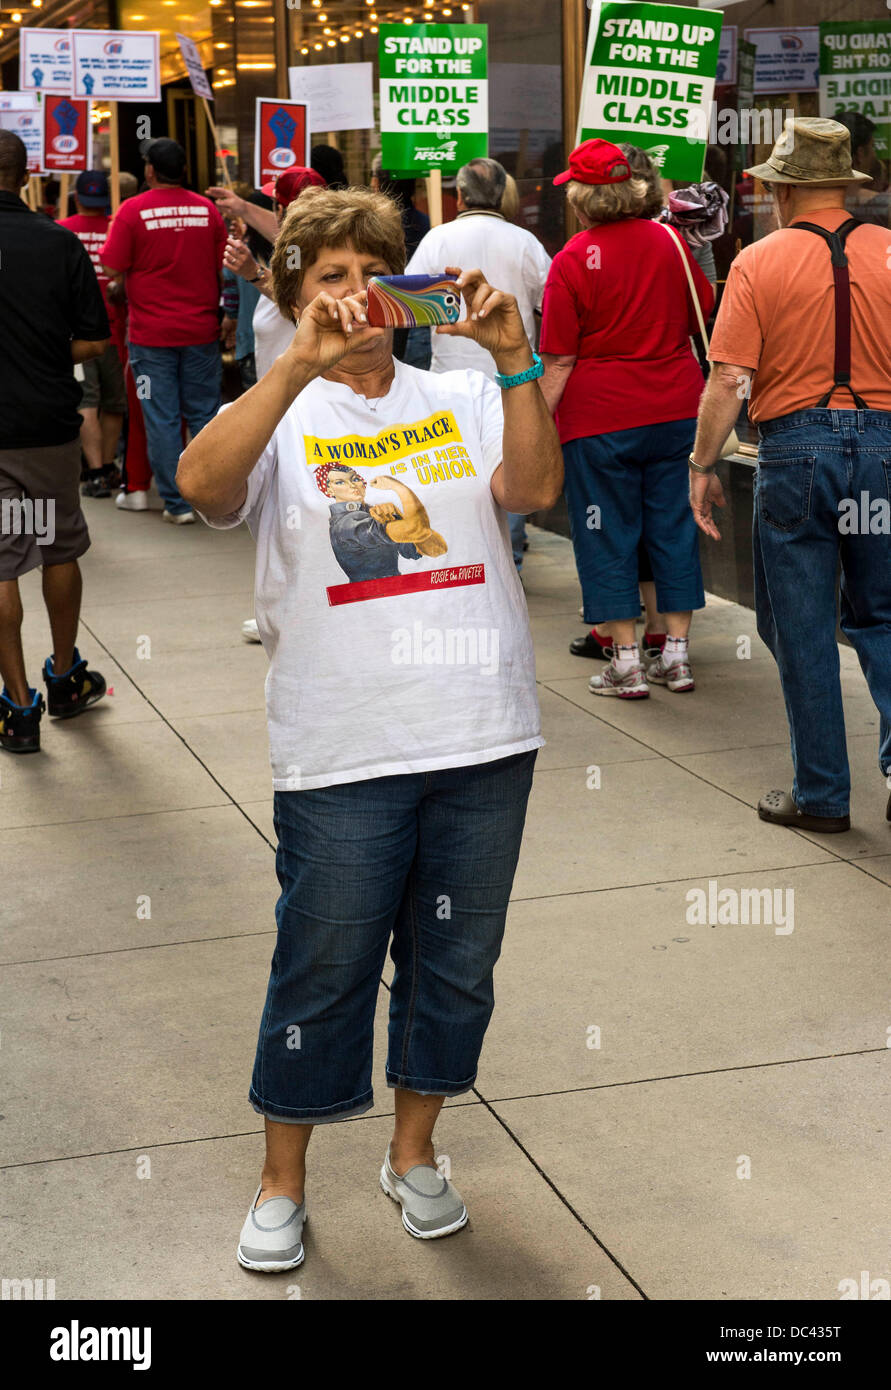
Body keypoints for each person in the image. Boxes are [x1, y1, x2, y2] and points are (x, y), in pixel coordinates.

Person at [175, 185, 562, 1269]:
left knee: (456, 964)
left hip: (482, 734)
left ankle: (414, 1152)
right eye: (328, 276)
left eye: (369, 273)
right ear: (294, 293)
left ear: (404, 290)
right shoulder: (281, 410)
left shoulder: (469, 395)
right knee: (323, 965)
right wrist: (290, 367)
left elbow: (532, 487)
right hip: (344, 744)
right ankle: (282, 1180)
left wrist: (515, 358)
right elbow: (203, 488)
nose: (352, 295)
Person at [689, 117, 891, 833]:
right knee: (884, 614)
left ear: (780, 191)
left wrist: (701, 464)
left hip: (794, 451)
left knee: (799, 629)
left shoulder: (757, 262)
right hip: (883, 450)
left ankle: (822, 796)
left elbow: (727, 379)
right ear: (846, 184)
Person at [540, 139, 713, 698]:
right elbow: (703, 313)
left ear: (582, 195)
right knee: (674, 527)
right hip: (677, 409)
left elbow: (559, 358)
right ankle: (677, 657)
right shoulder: (670, 241)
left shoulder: (571, 260)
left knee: (604, 533)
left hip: (599, 420)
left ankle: (625, 661)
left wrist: (533, 423)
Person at [0, 131, 109, 754]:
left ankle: (17, 708)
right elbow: (95, 339)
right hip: (46, 427)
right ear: (25, 175)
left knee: (1, 559)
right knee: (56, 546)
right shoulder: (59, 241)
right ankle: (66, 679)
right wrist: (44, 354)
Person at [406, 157, 552, 571]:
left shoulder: (437, 239)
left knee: (453, 471)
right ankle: (511, 561)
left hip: (449, 377)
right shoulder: (525, 242)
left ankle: (461, 556)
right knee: (513, 462)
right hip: (512, 376)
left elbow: (412, 307)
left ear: (458, 196)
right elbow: (550, 301)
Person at [100, 138, 227, 525]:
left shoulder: (132, 211)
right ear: (184, 171)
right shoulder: (207, 210)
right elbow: (223, 261)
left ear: (150, 171)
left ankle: (177, 502)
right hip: (202, 330)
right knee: (205, 415)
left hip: (151, 337)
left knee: (161, 417)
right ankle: (214, 495)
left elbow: (110, 267)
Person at [59, 170, 127, 498]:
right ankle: (110, 465)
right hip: (115, 330)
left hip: (78, 334)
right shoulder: (118, 229)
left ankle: (96, 470)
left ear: (76, 198)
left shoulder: (60, 232)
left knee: (87, 400)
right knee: (115, 401)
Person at [371, 156, 432, 369]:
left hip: (383, 322)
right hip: (420, 322)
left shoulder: (370, 229)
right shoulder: (428, 224)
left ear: (376, 183)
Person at [832, 111, 891, 227]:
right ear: (860, 154)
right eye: (872, 146)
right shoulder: (884, 207)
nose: (874, 155)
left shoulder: (807, 206)